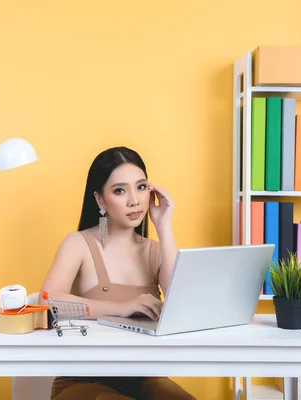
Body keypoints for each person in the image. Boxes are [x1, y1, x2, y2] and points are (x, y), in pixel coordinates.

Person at [39, 146, 196, 400]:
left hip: (145, 378)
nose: (134, 200)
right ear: (100, 200)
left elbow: (183, 308)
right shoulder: (79, 244)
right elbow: (47, 301)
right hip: (82, 381)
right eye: (120, 190)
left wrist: (164, 225)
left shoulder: (155, 252)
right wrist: (120, 307)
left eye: (141, 187)